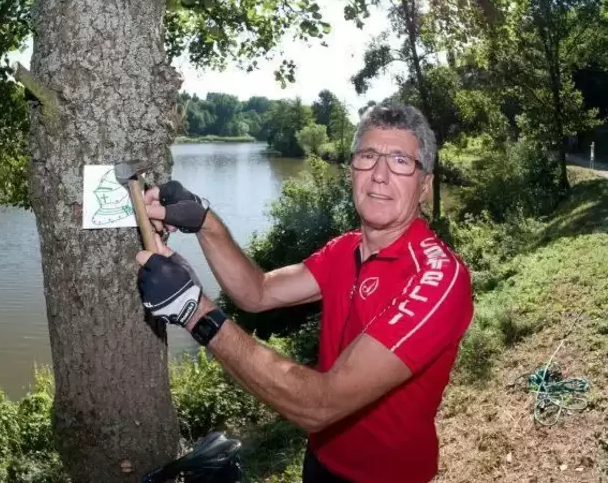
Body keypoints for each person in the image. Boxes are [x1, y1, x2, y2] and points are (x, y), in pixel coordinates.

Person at [135, 102, 474, 483]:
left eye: (400, 161)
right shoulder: (345, 249)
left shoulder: (438, 277)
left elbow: (320, 404)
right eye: (367, 156)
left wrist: (194, 311)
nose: (379, 175)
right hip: (322, 460)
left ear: (425, 186)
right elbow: (257, 293)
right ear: (352, 171)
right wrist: (204, 221)